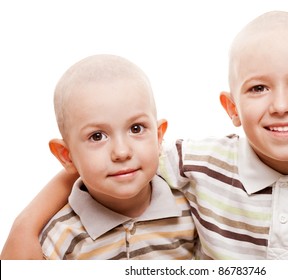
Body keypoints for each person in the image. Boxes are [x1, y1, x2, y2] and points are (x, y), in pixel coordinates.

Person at [1, 11, 288, 260]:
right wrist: (25, 223)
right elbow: (122, 159)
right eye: (258, 89)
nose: (281, 105)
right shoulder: (200, 164)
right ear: (231, 108)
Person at [4, 54, 197, 260]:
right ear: (66, 156)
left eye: (136, 128)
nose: (122, 152)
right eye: (97, 136)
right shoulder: (60, 238)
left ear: (158, 137)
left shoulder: (192, 209)